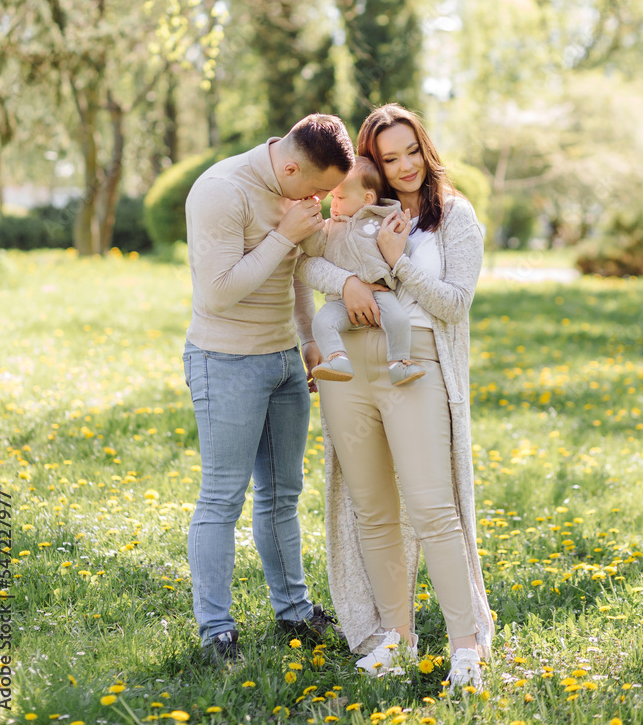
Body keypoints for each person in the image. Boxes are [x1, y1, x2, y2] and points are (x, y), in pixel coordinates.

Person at [296, 103, 494, 690]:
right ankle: (396, 637)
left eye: (412, 151)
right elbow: (307, 262)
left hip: (415, 363)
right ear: (372, 165)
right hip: (348, 369)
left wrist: (397, 263)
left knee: (433, 508)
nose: (405, 166)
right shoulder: (354, 208)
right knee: (373, 509)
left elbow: (455, 304)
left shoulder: (453, 216)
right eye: (390, 157)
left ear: (425, 149)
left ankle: (465, 648)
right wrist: (349, 282)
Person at [182, 113, 354, 663]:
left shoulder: (293, 191)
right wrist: (284, 235)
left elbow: (294, 272)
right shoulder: (221, 191)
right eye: (318, 189)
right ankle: (216, 630)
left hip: (282, 361)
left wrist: (308, 338)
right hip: (225, 361)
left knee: (282, 495)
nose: (320, 201)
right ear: (291, 167)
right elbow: (217, 294)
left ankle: (294, 611)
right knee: (222, 497)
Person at [300, 156, 426, 387]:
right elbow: (313, 250)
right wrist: (312, 227)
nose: (333, 204)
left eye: (340, 198)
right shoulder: (330, 227)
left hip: (380, 293)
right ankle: (337, 358)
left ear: (367, 198)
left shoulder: (383, 221)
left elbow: (401, 251)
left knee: (398, 320)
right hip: (341, 300)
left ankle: (399, 363)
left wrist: (400, 236)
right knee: (322, 321)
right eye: (333, 197)